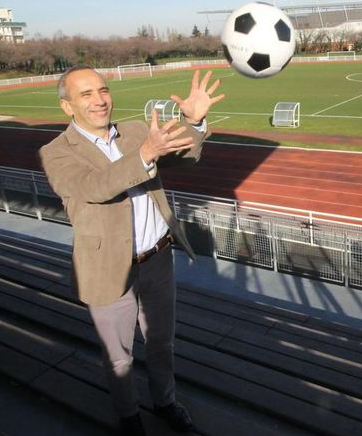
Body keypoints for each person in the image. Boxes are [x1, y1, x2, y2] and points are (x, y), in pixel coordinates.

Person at [39, 66, 224, 435]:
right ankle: (129, 417)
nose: (99, 100)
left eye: (103, 90)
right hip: (107, 267)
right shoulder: (56, 153)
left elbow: (184, 155)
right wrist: (144, 155)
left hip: (158, 259)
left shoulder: (135, 131)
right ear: (67, 106)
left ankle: (165, 402)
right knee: (119, 358)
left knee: (161, 343)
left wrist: (193, 122)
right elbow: (96, 186)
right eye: (86, 94)